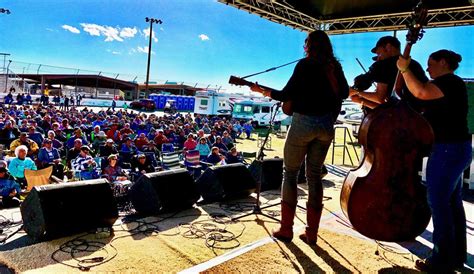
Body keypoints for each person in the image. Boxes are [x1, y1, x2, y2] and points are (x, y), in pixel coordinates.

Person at [251, 30, 348, 245]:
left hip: (304, 123)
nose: (304, 46)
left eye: (306, 43)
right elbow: (344, 94)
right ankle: (311, 233)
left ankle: (286, 229)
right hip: (326, 126)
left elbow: (285, 95)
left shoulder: (305, 65)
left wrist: (262, 91)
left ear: (310, 45)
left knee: (290, 174)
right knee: (314, 176)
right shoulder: (335, 66)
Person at [397, 50, 470, 272]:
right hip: (457, 149)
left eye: (431, 64)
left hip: (448, 150)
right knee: (452, 204)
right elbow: (417, 98)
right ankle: (456, 256)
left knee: (439, 205)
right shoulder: (449, 86)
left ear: (444, 63)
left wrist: (404, 69)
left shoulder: (449, 82)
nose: (427, 69)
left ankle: (440, 261)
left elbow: (419, 90)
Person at [350, 36, 428, 111]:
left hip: (399, 118)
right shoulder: (415, 64)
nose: (378, 57)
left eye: (379, 52)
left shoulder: (384, 65)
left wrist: (357, 92)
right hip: (419, 115)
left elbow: (380, 98)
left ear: (388, 47)